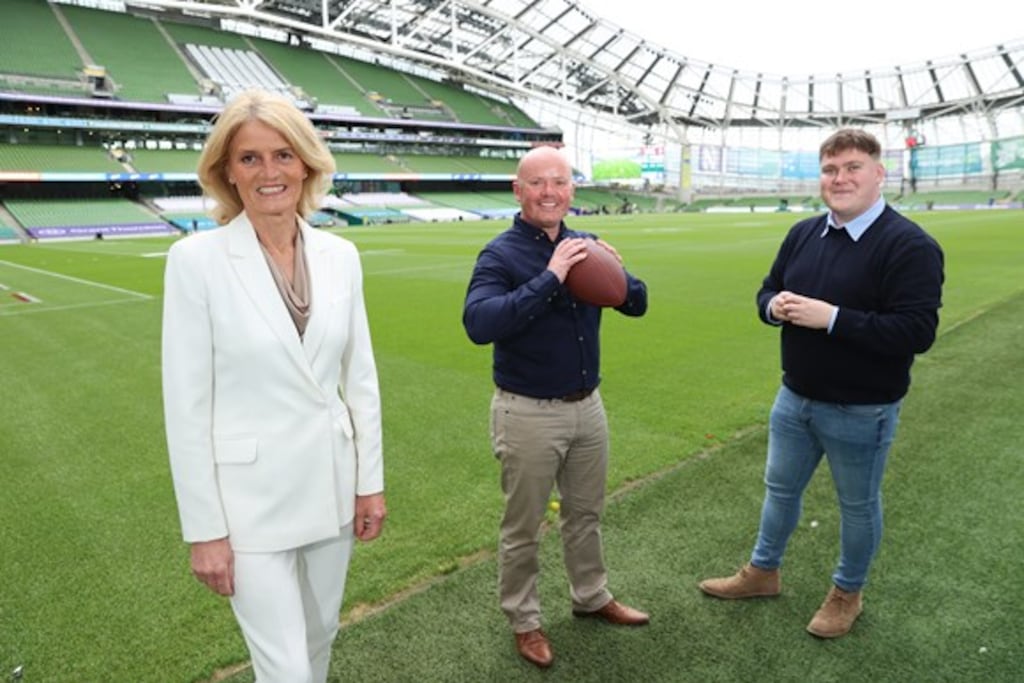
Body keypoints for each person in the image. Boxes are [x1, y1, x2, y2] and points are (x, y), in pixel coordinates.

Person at [161, 89, 386, 682]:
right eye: (250, 158)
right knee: (285, 669)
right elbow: (186, 408)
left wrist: (370, 485)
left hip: (333, 493)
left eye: (283, 155)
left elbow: (359, 381)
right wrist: (205, 531)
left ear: (307, 164)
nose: (269, 172)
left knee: (318, 642)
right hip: (248, 509)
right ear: (227, 172)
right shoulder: (195, 262)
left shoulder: (342, 256)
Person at [698, 128, 944, 639]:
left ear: (879, 174)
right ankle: (762, 572)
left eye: (853, 167)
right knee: (780, 490)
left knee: (857, 505)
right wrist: (773, 307)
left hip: (862, 408)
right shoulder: (804, 233)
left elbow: (916, 332)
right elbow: (768, 288)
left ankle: (846, 593)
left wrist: (832, 317)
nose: (840, 178)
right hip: (795, 397)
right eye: (830, 170)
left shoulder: (910, 245)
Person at [463, 146, 650, 669]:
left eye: (560, 182)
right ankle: (525, 622)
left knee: (585, 514)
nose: (550, 192)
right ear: (518, 191)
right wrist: (550, 278)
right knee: (522, 529)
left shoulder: (585, 243)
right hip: (527, 412)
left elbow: (636, 303)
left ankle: (591, 597)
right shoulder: (500, 255)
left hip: (588, 406)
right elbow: (479, 324)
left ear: (572, 189)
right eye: (538, 183)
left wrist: (619, 271)